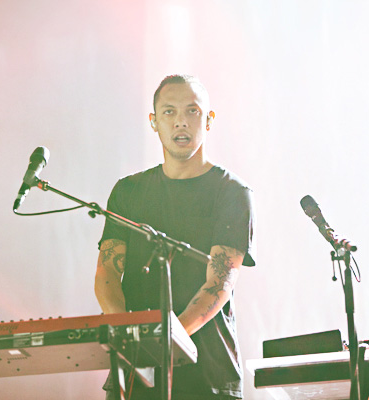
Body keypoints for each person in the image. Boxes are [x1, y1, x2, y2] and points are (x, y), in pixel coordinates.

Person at [95, 74, 255, 400]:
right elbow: (107, 272)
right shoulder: (128, 192)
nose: (180, 121)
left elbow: (219, 282)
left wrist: (165, 342)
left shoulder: (231, 192)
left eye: (192, 111)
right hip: (134, 374)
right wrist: (130, 338)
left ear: (208, 120)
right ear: (154, 122)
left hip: (207, 375)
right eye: (169, 112)